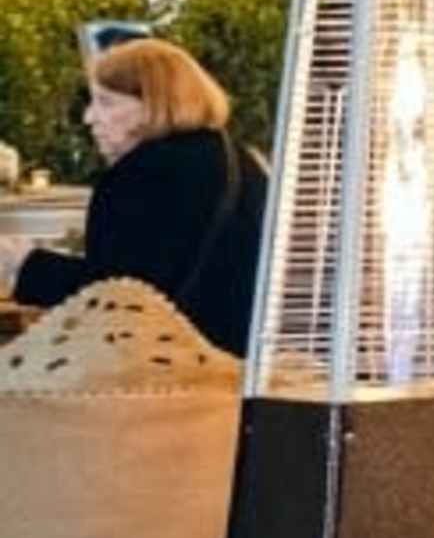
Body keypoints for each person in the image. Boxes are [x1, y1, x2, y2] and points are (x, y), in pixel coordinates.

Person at [12, 37, 262, 348]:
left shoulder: (142, 174)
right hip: (236, 369)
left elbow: (117, 300)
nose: (89, 118)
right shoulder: (243, 162)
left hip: (164, 375)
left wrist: (23, 264)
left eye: (106, 102)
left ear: (154, 104)